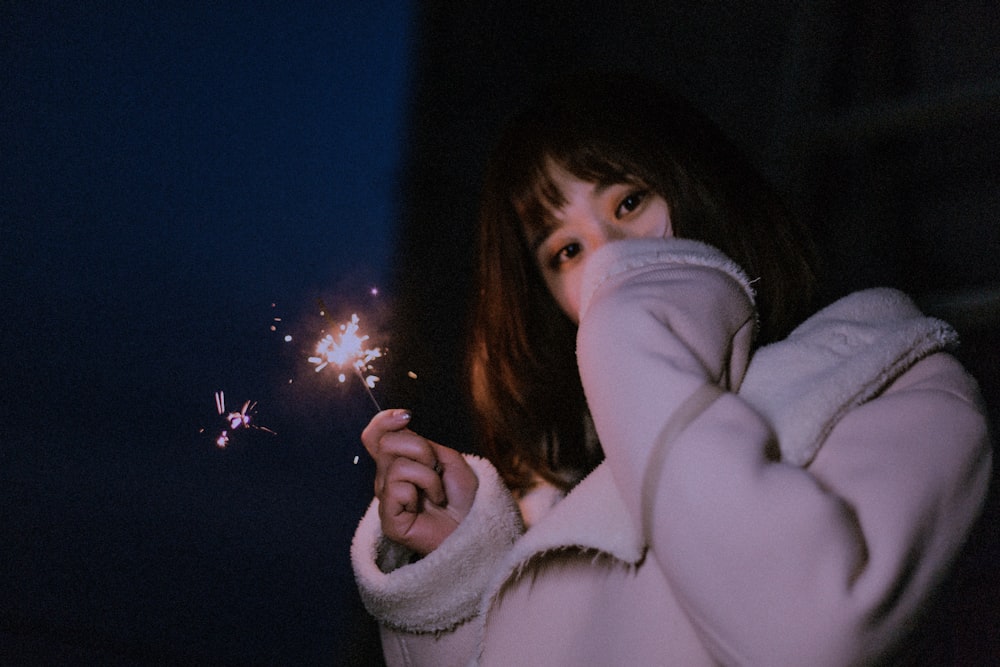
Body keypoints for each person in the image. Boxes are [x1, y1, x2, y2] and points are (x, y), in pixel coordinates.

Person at [350, 72, 993, 665]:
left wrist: (634, 324)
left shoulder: (907, 385)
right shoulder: (553, 504)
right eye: (567, 250)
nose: (609, 259)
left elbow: (803, 631)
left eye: (629, 204)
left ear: (699, 188)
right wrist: (461, 573)